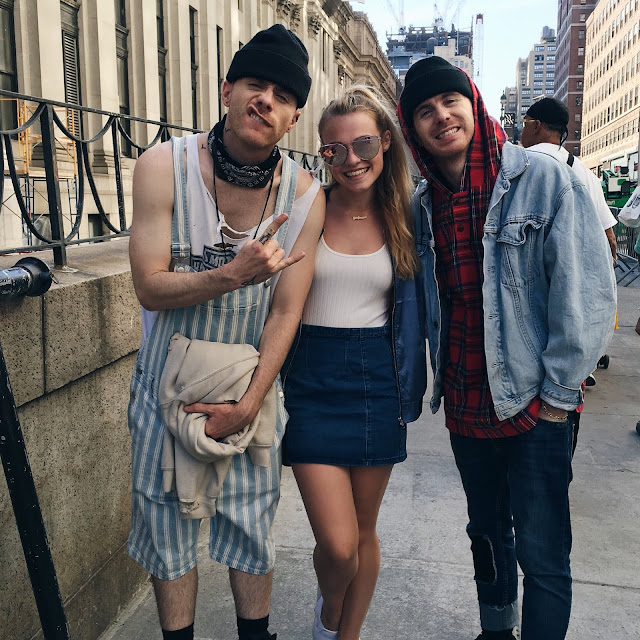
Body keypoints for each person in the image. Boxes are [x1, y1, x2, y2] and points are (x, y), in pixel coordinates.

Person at [397, 57, 616, 640]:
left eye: (450, 101)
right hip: (467, 401)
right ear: (413, 129)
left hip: (535, 402)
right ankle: (495, 633)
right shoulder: (423, 204)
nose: (442, 116)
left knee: (543, 550)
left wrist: (558, 397)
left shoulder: (544, 179)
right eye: (424, 111)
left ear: (473, 103)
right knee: (487, 532)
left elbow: (589, 293)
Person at [127, 24, 324, 640]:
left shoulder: (305, 195)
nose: (266, 100)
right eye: (254, 85)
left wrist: (250, 403)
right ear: (226, 90)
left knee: (251, 524)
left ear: (293, 119)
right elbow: (149, 287)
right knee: (166, 528)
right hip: (165, 390)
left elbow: (286, 312)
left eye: (283, 96)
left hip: (251, 390)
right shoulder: (163, 166)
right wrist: (233, 274)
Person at [282, 86, 427, 640]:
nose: (350, 159)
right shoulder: (308, 206)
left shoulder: (407, 215)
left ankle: (346, 635)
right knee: (338, 546)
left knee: (364, 534)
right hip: (312, 380)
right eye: (334, 149)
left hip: (376, 381)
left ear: (385, 141)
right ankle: (328, 612)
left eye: (363, 143)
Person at [521, 97, 618, 390]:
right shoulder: (584, 172)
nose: (522, 131)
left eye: (525, 124)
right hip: (578, 285)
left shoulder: (521, 164)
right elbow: (609, 237)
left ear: (536, 126)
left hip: (530, 286)